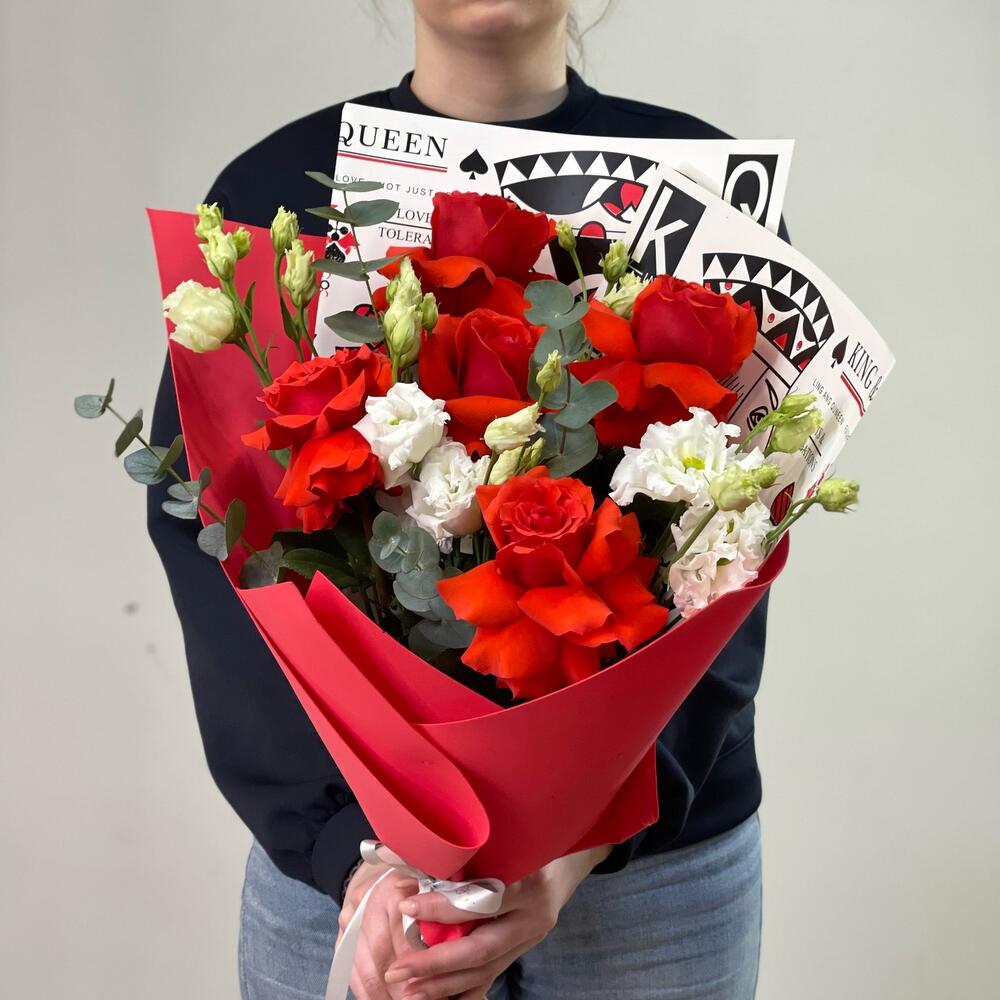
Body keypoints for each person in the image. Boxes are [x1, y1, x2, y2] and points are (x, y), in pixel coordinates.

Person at [149, 3, 786, 998]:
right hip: (356, 888)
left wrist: (582, 837)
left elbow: (738, 547)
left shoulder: (703, 194)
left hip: (647, 889)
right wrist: (352, 853)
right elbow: (214, 532)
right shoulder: (276, 192)